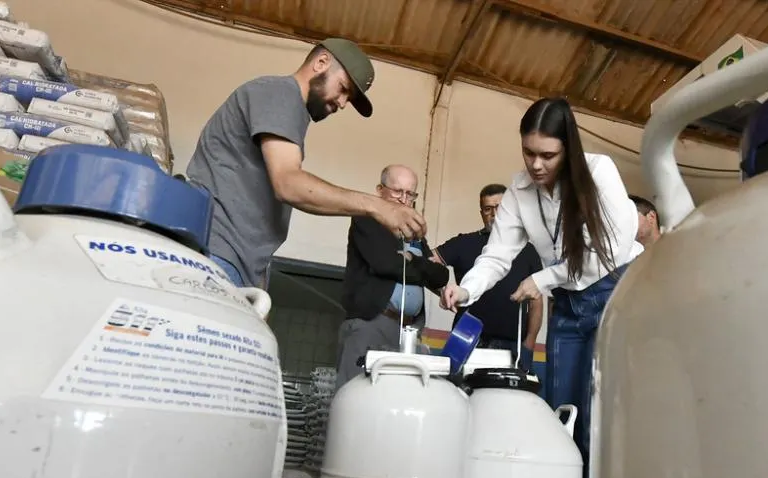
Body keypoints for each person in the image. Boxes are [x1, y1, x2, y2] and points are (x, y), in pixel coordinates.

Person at [439, 96, 642, 478]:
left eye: (547, 156)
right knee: (563, 425)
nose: (535, 164)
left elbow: (614, 246)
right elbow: (497, 255)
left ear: (567, 149)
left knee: (599, 431)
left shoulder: (600, 172)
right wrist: (465, 288)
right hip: (571, 307)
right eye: (529, 152)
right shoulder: (519, 189)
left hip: (616, 294)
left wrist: (544, 280)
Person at [186, 38, 426, 289]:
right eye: (343, 88)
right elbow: (288, 184)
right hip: (219, 253)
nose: (342, 103)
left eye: (349, 98)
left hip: (242, 262)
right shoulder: (280, 94)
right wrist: (378, 207)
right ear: (321, 62)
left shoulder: (290, 111)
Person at [335, 164, 449, 390]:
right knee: (355, 394)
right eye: (398, 192)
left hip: (407, 330)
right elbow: (385, 264)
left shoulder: (414, 231)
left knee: (395, 396)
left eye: (410, 194)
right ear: (380, 190)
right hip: (372, 322)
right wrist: (423, 267)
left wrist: (412, 259)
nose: (404, 200)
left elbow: (441, 276)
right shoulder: (366, 219)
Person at [431, 184, 543, 371]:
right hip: (465, 338)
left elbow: (536, 303)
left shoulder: (529, 251)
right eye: (488, 209)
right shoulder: (463, 243)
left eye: (500, 208)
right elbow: (427, 262)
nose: (494, 214)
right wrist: (443, 290)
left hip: (512, 344)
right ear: (481, 212)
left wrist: (529, 344)